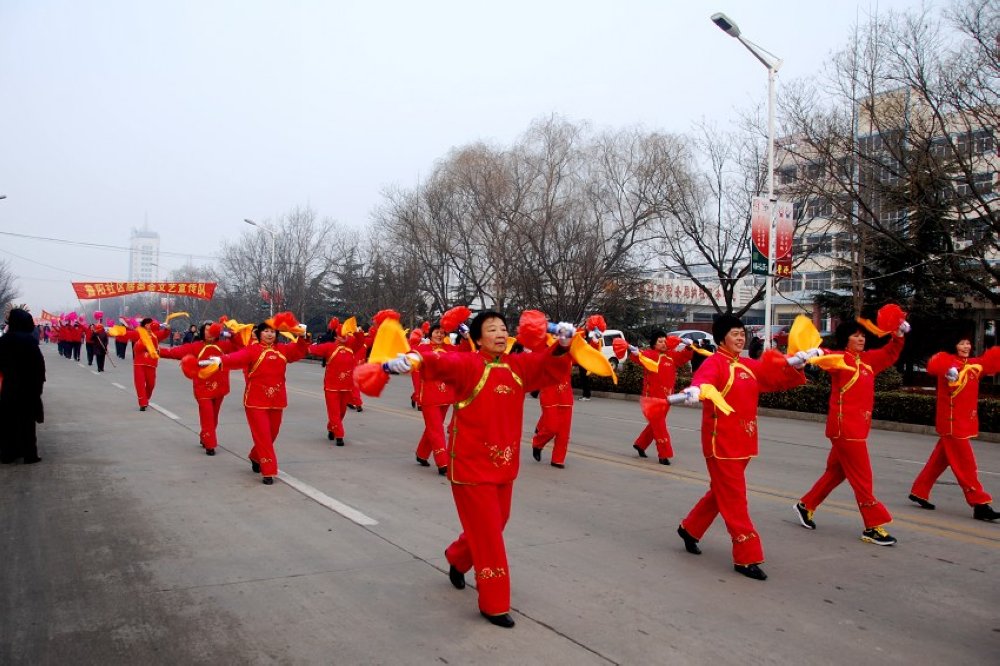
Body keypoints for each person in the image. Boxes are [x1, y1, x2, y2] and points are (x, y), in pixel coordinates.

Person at [383, 311, 574, 627]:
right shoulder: (469, 364)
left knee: (498, 522)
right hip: (471, 465)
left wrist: (563, 346)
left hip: (504, 464)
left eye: (502, 328)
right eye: (491, 329)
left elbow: (547, 367)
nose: (500, 333)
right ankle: (494, 603)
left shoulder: (517, 367)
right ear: (478, 337)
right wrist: (415, 359)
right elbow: (443, 363)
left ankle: (457, 558)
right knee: (489, 536)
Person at [676, 314, 808, 581]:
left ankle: (690, 529)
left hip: (744, 442)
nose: (740, 337)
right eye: (734, 333)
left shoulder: (747, 365)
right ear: (721, 337)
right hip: (720, 443)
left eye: (741, 333)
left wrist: (797, 363)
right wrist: (695, 390)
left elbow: (776, 378)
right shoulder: (715, 363)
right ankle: (747, 554)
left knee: (721, 492)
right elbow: (703, 381)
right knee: (735, 499)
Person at [794, 315, 908, 546]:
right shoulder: (841, 359)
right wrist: (817, 354)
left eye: (862, 335)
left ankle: (806, 505)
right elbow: (827, 357)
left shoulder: (867, 361)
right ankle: (873, 526)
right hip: (844, 428)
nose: (860, 339)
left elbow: (890, 353)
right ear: (845, 339)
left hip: (858, 427)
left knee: (837, 472)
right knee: (863, 478)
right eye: (855, 335)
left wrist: (899, 334)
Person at [909, 329, 1000, 521]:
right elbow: (935, 365)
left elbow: (990, 362)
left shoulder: (975, 365)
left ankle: (919, 490)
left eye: (968, 343)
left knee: (940, 459)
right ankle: (979, 503)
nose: (966, 347)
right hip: (951, 423)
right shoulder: (946, 364)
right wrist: (950, 371)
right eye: (961, 343)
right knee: (966, 464)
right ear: (954, 346)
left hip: (965, 421)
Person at [213, 318, 310, 485]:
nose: (269, 334)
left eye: (272, 331)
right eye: (266, 331)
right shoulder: (252, 350)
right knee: (263, 435)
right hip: (255, 401)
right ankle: (268, 471)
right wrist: (221, 360)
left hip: (276, 400)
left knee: (272, 434)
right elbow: (236, 357)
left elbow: (299, 350)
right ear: (259, 333)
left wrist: (303, 337)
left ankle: (255, 456)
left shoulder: (283, 350)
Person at [160, 322, 238, 455]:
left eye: (212, 330)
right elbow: (176, 352)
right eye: (206, 330)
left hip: (220, 387)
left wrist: (231, 335)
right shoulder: (196, 346)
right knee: (207, 415)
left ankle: (205, 436)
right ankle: (210, 445)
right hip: (202, 388)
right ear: (202, 332)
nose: (209, 332)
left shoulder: (225, 346)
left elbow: (241, 346)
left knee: (213, 417)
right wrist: (157, 351)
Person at [629, 331, 694, 465]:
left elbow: (683, 357)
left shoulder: (671, 356)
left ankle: (640, 444)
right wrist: (634, 352)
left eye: (665, 341)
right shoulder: (650, 355)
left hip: (667, 398)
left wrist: (688, 347)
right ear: (653, 344)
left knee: (656, 425)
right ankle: (664, 454)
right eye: (660, 341)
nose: (663, 344)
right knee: (660, 426)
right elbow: (638, 357)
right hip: (652, 399)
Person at [0, 308, 46, 464]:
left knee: (8, 422)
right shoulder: (29, 341)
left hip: (9, 387)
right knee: (27, 422)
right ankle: (29, 454)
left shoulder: (4, 341)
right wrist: (39, 384)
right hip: (28, 387)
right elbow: (39, 365)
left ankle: (8, 454)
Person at [413, 322, 460, 474]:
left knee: (434, 427)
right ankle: (443, 463)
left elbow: (467, 352)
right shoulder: (421, 349)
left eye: (442, 332)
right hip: (429, 396)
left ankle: (421, 454)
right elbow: (415, 374)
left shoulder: (450, 350)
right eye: (436, 332)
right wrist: (417, 395)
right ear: (430, 333)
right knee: (437, 430)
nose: (439, 335)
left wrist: (465, 334)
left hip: (446, 395)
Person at [307, 318, 360, 446]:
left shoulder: (352, 348)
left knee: (342, 411)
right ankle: (339, 435)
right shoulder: (329, 347)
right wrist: (304, 339)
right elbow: (310, 349)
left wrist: (358, 332)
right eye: (341, 336)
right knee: (334, 411)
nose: (344, 338)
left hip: (346, 386)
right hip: (331, 387)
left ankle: (332, 427)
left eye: (346, 336)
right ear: (336, 336)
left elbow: (361, 341)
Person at [113, 317, 170, 411]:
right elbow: (127, 334)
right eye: (147, 324)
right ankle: (142, 403)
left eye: (150, 324)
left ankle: (145, 399)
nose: (148, 326)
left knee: (151, 384)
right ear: (144, 325)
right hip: (139, 363)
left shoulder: (155, 335)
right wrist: (116, 331)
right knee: (139, 384)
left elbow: (164, 334)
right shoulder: (139, 333)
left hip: (151, 364)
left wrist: (167, 329)